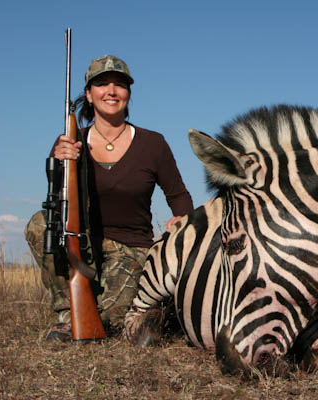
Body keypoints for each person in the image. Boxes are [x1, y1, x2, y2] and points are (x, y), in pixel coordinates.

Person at [25, 55, 194, 340]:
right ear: (89, 95)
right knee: (40, 223)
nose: (111, 91)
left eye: (120, 84)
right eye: (102, 84)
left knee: (111, 321)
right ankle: (67, 315)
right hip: (83, 241)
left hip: (131, 248)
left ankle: (152, 311)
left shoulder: (153, 143)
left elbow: (178, 195)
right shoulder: (70, 141)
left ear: (128, 93)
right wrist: (59, 161)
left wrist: (182, 220)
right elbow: (57, 200)